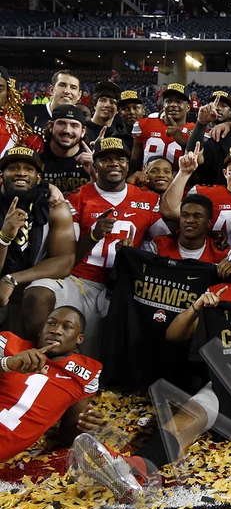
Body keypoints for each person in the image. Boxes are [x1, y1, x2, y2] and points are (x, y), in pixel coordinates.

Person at [71, 232, 231, 503]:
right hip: (226, 384)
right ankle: (134, 469)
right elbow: (174, 335)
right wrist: (197, 308)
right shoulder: (221, 295)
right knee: (187, 417)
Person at [24, 137, 169, 357]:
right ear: (95, 165)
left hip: (121, 285)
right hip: (80, 280)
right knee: (38, 292)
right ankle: (32, 359)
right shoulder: (78, 198)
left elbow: (165, 243)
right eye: (106, 159)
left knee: (98, 352)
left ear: (128, 164)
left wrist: (134, 254)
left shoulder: (147, 200)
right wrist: (93, 235)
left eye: (120, 158)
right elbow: (65, 256)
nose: (114, 163)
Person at [1, 306, 104, 463]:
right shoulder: (8, 344)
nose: (56, 330)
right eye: (51, 323)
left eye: (67, 326)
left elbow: (67, 434)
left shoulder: (87, 373)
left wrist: (86, 426)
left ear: (79, 339)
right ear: (40, 331)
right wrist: (6, 364)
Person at [0, 147, 76, 332]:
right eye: (14, 168)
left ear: (39, 178)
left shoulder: (54, 205)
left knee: (38, 295)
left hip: (32, 278)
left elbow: (65, 261)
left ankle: (41, 357)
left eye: (28, 169)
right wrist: (4, 238)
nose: (21, 173)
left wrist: (12, 279)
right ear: (2, 174)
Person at [162, 147, 231, 252]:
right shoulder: (204, 192)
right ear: (225, 173)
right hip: (216, 260)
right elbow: (169, 209)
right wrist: (183, 173)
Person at [143, 192, 231, 274]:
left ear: (208, 223)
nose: (189, 220)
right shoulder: (158, 246)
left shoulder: (222, 252)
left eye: (197, 216)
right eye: (185, 215)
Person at [130, 83, 194, 173]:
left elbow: (199, 168)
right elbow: (135, 161)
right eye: (169, 101)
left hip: (181, 185)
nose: (173, 104)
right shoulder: (145, 124)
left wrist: (185, 143)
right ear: (163, 106)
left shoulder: (194, 131)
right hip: (146, 183)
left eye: (179, 102)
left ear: (188, 107)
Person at [39, 105, 93, 194]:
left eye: (74, 126)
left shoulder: (92, 158)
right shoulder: (37, 155)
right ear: (51, 126)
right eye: (61, 123)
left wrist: (97, 172)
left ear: (83, 131)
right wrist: (48, 186)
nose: (67, 130)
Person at [83, 82, 124, 148]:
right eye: (102, 100)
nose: (107, 105)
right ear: (94, 105)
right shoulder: (82, 129)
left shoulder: (121, 133)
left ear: (118, 110)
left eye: (112, 102)